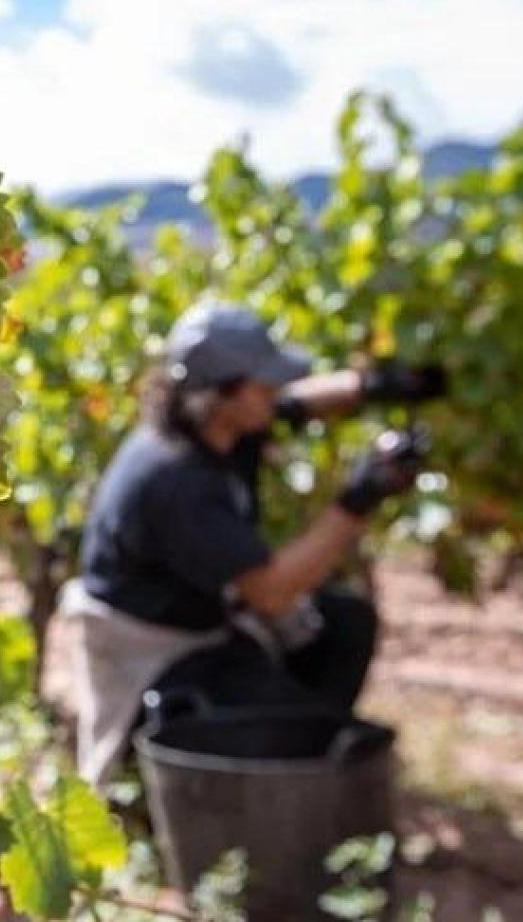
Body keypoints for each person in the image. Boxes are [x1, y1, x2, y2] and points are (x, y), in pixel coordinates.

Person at [64, 302, 440, 783]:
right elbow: (271, 592)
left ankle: (295, 754)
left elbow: (297, 402)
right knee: (293, 727)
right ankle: (224, 784)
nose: (275, 390)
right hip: (155, 655)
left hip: (203, 620)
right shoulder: (177, 479)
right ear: (222, 394)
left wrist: (373, 386)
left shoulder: (214, 423)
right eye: (263, 383)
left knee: (345, 624)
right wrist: (362, 494)